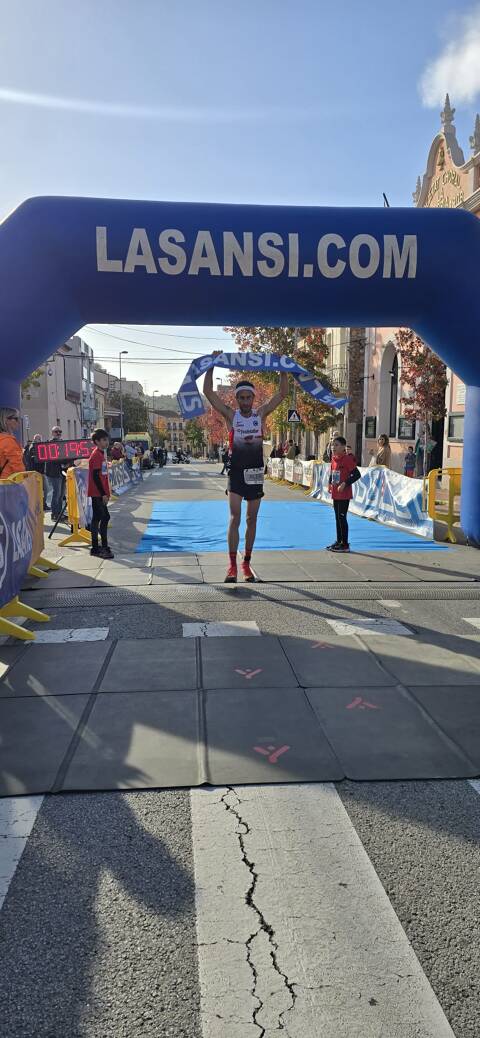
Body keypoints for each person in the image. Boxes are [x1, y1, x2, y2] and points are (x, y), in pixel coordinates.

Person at [203, 362, 289, 582]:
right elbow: (208, 393)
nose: (244, 402)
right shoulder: (231, 416)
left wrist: (282, 367)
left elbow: (282, 393)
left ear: (253, 398)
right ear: (236, 399)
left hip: (255, 474)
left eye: (248, 397)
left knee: (252, 520)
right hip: (236, 474)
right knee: (235, 518)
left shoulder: (261, 414)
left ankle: (246, 565)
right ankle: (231, 567)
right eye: (240, 398)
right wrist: (211, 366)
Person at [326, 435, 361, 553]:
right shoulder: (334, 458)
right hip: (336, 493)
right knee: (337, 518)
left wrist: (345, 483)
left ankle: (345, 544)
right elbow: (333, 472)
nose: (333, 447)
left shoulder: (347, 459)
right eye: (332, 445)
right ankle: (339, 541)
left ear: (343, 447)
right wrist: (330, 483)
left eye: (336, 445)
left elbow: (356, 474)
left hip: (344, 494)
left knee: (342, 518)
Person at [88, 428, 114, 559]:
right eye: (103, 440)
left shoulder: (101, 453)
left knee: (99, 518)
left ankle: (97, 547)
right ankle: (101, 547)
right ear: (97, 441)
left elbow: (103, 475)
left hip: (100, 492)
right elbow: (95, 476)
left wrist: (107, 491)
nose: (106, 442)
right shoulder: (96, 455)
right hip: (97, 492)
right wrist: (103, 493)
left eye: (107, 439)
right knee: (103, 518)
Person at [45, 425, 65, 519]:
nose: (58, 433)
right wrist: (65, 462)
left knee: (61, 495)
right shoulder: (49, 444)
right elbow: (54, 459)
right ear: (52, 433)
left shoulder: (63, 443)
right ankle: (54, 514)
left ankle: (60, 513)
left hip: (63, 472)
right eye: (56, 432)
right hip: (53, 472)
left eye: (60, 431)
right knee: (56, 493)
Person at [0, 407, 25, 479]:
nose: (19, 422)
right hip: (9, 483)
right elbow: (18, 467)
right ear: (6, 420)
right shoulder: (8, 441)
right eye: (16, 418)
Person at [26, 433, 48, 509]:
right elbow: (35, 461)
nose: (40, 440)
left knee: (44, 490)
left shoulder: (39, 447)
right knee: (41, 490)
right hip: (37, 473)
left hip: (41, 472)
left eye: (40, 439)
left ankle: (42, 505)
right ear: (34, 439)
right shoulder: (33, 447)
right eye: (38, 439)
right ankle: (39, 505)